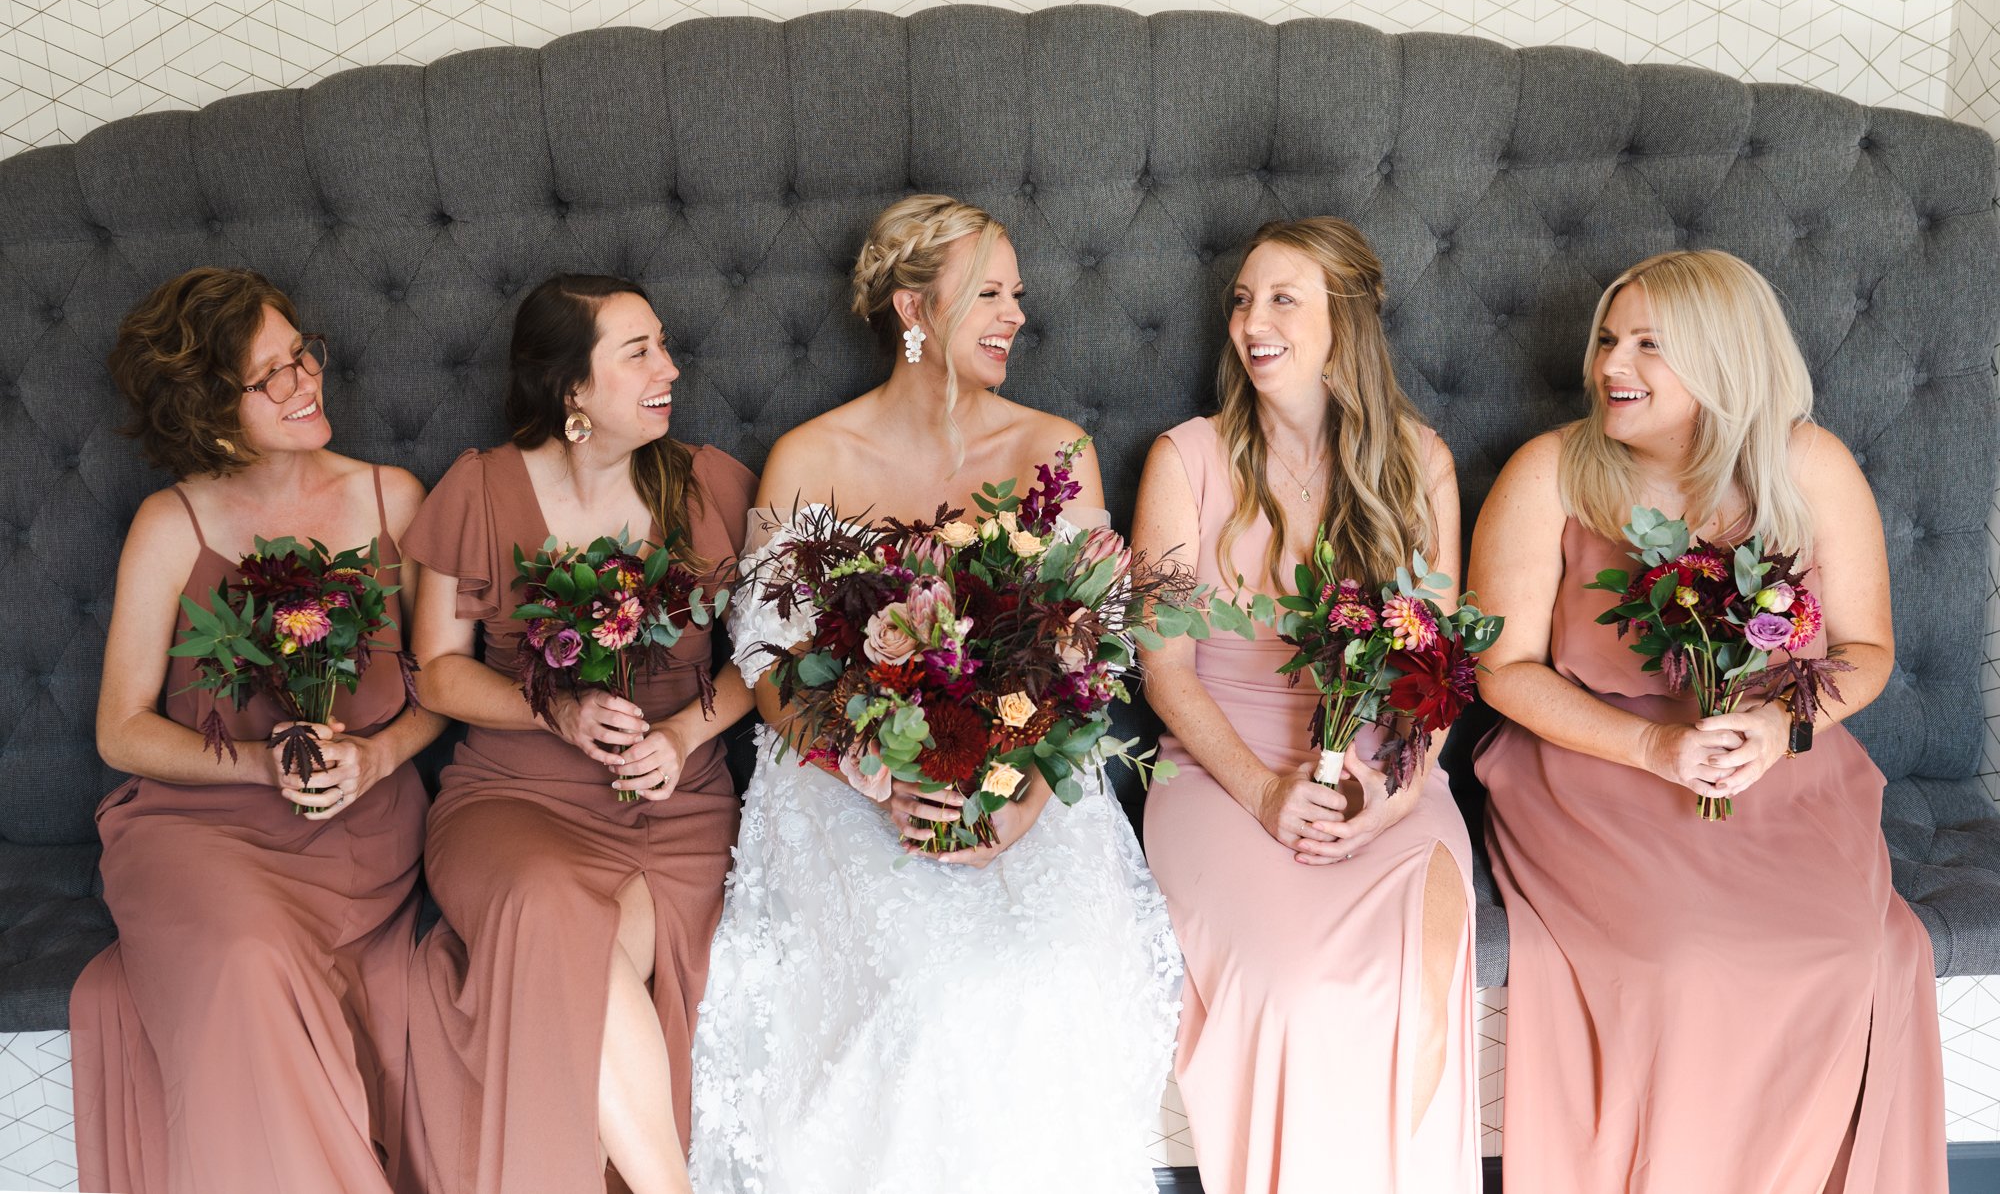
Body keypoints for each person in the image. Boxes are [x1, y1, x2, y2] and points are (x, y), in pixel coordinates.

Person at [687, 195, 1180, 1194]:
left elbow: (1085, 657)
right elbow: (771, 664)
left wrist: (1019, 791)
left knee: (1044, 978)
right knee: (922, 992)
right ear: (913, 308)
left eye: (1018, 293)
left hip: (1021, 765)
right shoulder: (810, 456)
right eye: (989, 292)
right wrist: (874, 776)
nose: (1015, 314)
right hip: (848, 772)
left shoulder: (1056, 448)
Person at [1469, 249, 1947, 1193]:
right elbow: (1501, 668)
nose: (1613, 364)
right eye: (1610, 338)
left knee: (1857, 949)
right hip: (1595, 762)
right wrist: (1652, 744)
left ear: (1724, 359)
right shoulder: (1552, 470)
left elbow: (1864, 649)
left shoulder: (1811, 466)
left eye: (1649, 344)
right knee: (1680, 959)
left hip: (1778, 761)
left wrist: (1778, 727)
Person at [72, 267, 438, 1194]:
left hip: (358, 829)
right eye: (269, 374)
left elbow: (449, 682)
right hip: (195, 830)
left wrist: (378, 753)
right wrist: (257, 763)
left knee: (273, 963)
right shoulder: (171, 523)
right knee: (244, 956)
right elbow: (121, 729)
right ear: (208, 408)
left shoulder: (397, 497)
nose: (305, 380)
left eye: (301, 354)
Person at [1134, 217, 1479, 1192]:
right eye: (1242, 298)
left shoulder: (1421, 464)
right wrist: (1262, 790)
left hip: (1387, 776)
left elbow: (1435, 662)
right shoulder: (1185, 460)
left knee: (1418, 988)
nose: (1252, 320)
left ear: (1346, 323)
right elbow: (1165, 670)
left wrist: (1399, 789)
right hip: (1218, 772)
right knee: (1288, 993)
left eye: (1282, 298)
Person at [401, 274, 757, 1194]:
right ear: (572, 391)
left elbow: (767, 660)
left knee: (585, 972)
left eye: (664, 344)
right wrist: (552, 709)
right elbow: (437, 670)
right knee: (555, 916)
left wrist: (680, 737)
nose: (669, 368)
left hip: (673, 806)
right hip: (512, 798)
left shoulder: (708, 483)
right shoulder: (480, 488)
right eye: (637, 352)